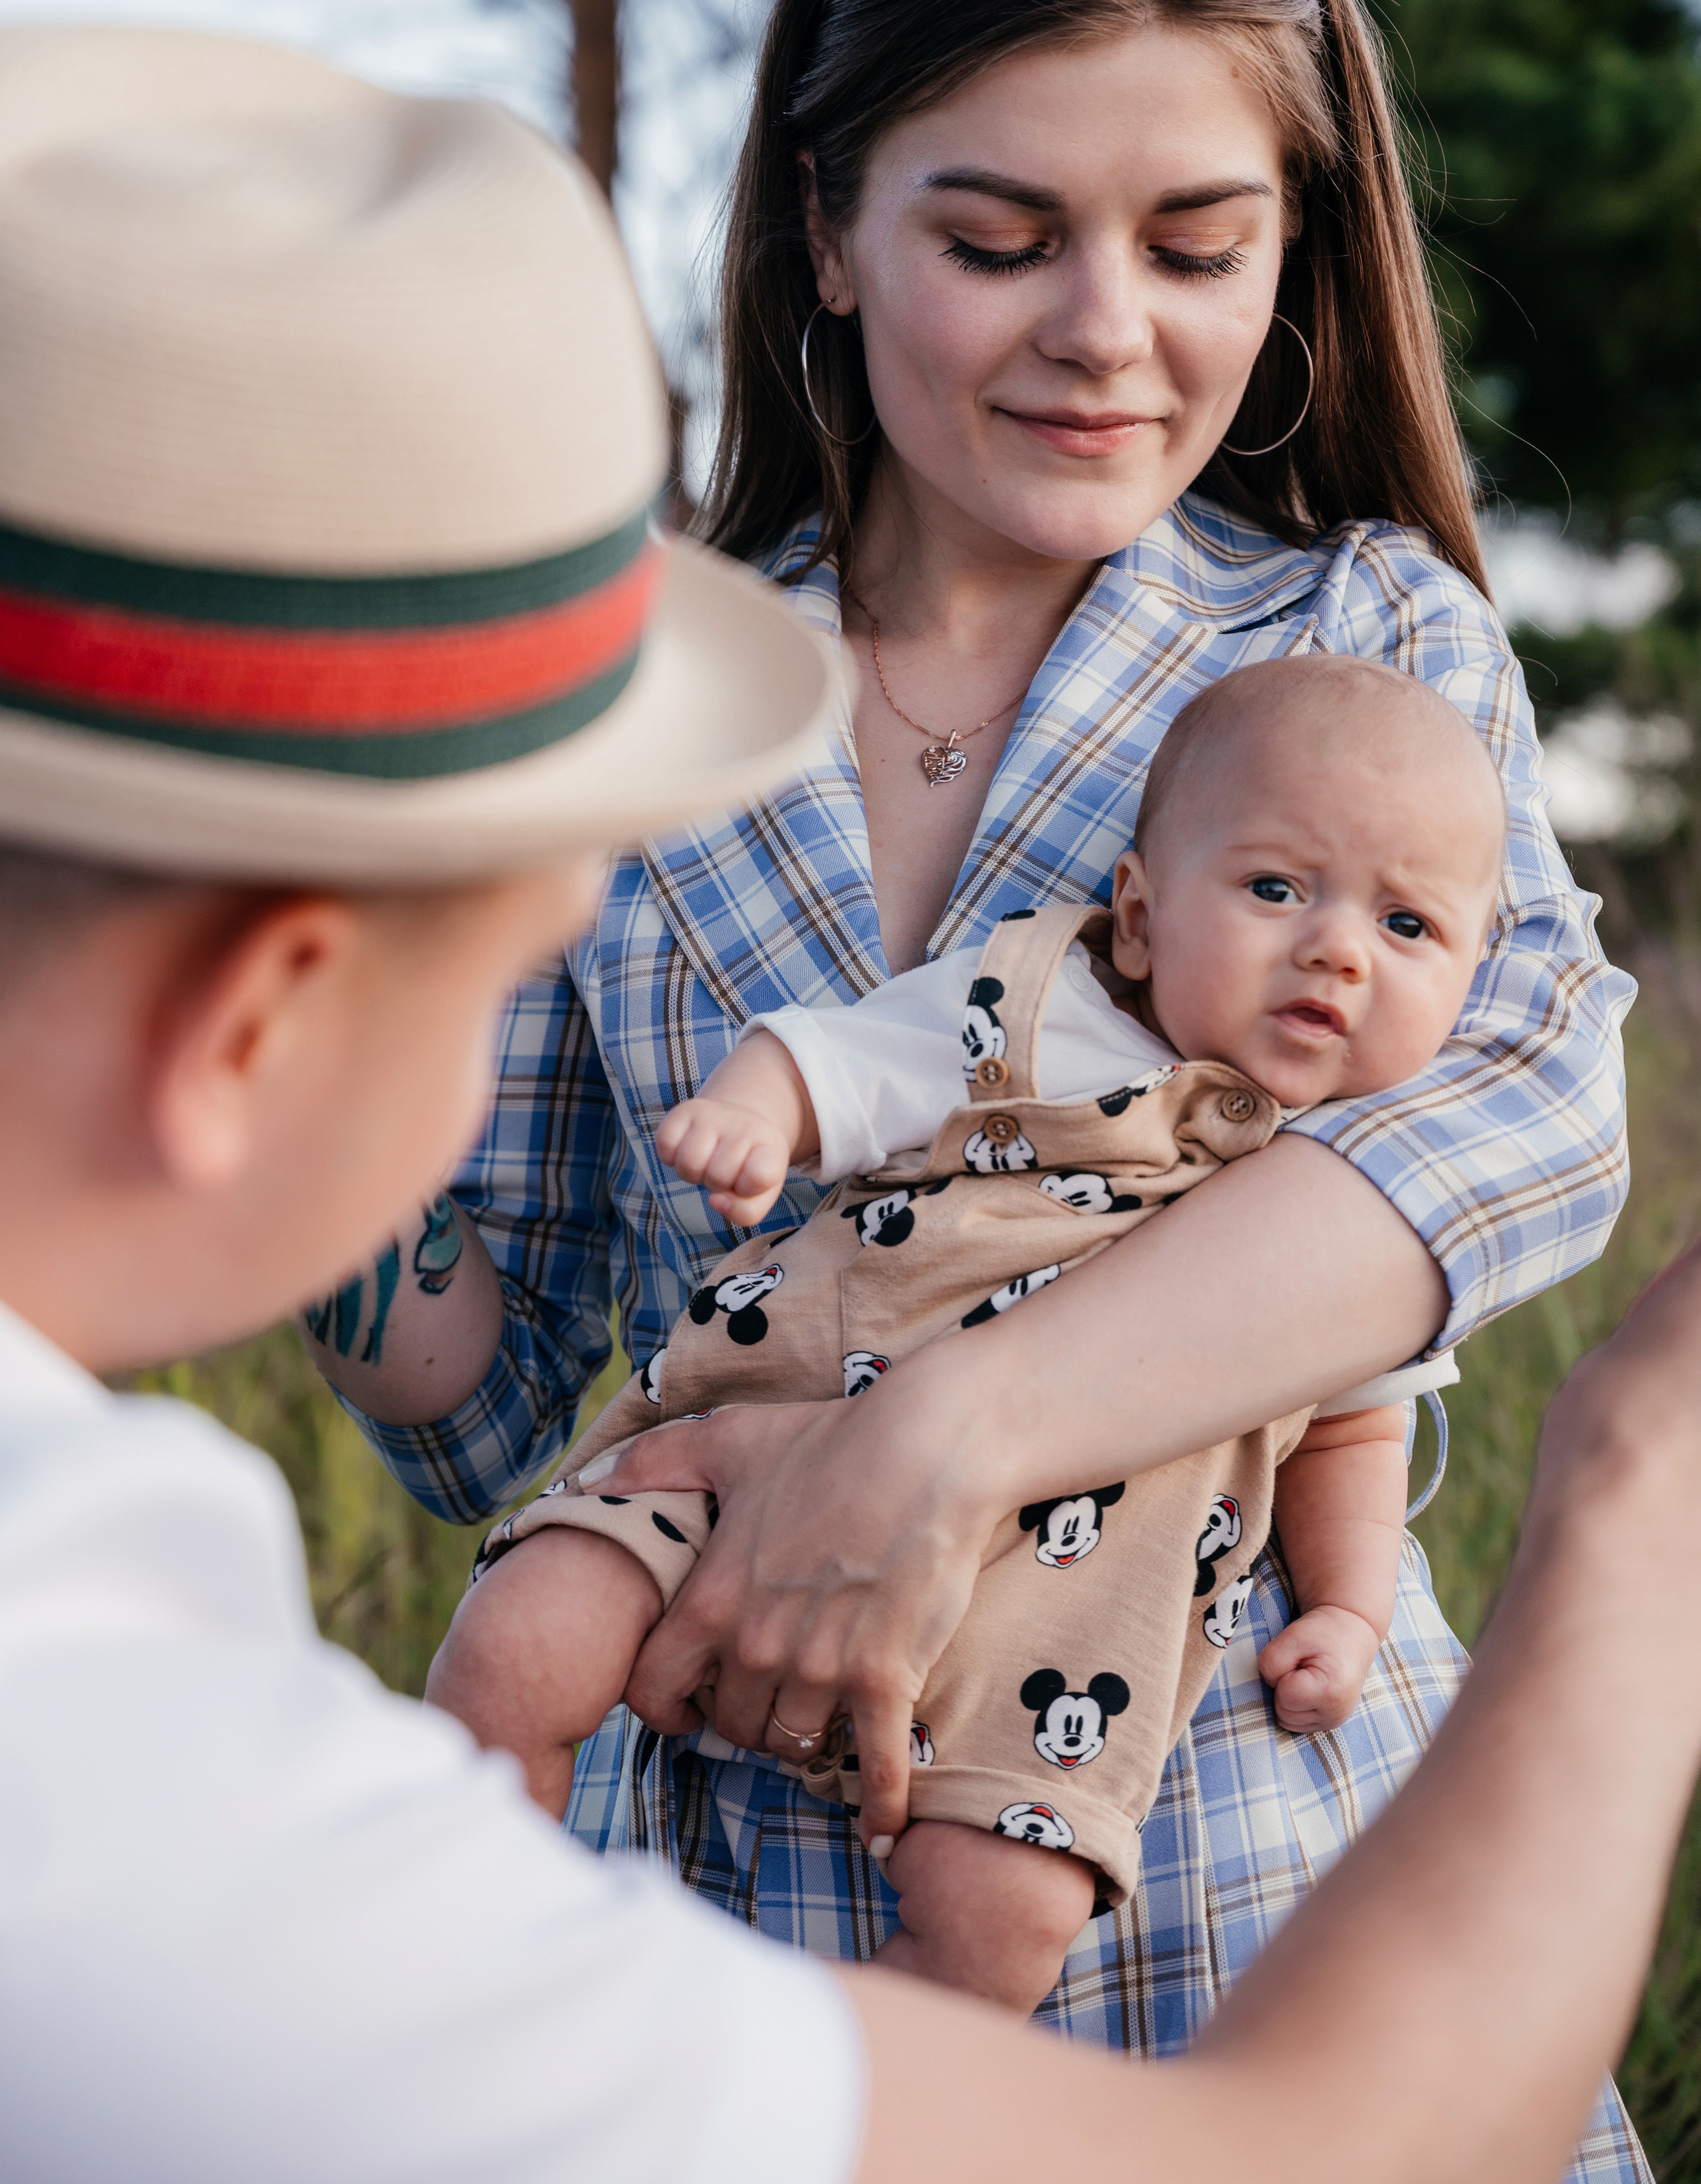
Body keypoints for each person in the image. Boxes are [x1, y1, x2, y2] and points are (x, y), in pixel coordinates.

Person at [0, 17, 1692, 2184]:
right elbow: (486, 1387)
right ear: (825, 229)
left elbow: (1512, 1117)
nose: (1104, 326)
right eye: (995, 239)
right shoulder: (624, 689)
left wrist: (935, 1435)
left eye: (1202, 243)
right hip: (729, 1834)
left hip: (1218, 1791)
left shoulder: (1354, 634)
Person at [427, 655, 1504, 2019]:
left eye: (1407, 927)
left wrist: (1347, 1610)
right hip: (767, 1444)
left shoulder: (1350, 1183)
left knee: (1004, 1919)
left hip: (1064, 1630)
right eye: (1276, 889)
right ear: (1136, 912)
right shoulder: (1042, 1008)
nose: (1337, 949)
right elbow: (852, 1057)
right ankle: (485, 1953)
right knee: (517, 1642)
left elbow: (1354, 1421)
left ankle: (873, 2103)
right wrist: (761, 1113)